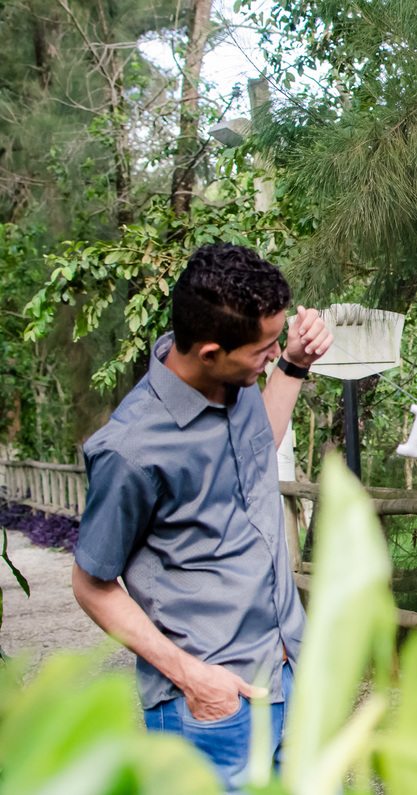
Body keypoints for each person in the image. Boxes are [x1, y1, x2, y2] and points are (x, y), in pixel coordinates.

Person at [72, 242, 333, 792]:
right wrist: (194, 678)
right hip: (214, 705)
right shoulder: (130, 451)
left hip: (292, 669)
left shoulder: (235, 382)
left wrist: (294, 363)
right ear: (211, 351)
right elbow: (92, 584)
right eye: (265, 349)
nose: (272, 354)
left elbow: (259, 447)